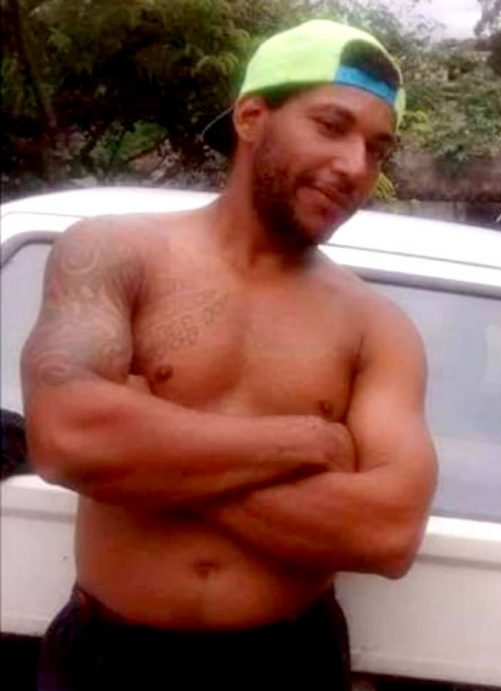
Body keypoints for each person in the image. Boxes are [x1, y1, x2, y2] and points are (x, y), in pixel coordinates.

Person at [22, 19, 437, 691]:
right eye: (331, 126)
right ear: (251, 117)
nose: (354, 167)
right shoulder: (115, 253)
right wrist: (304, 441)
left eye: (376, 148)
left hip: (289, 664)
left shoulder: (376, 327)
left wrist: (142, 455)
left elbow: (387, 533)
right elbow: (67, 438)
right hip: (107, 660)